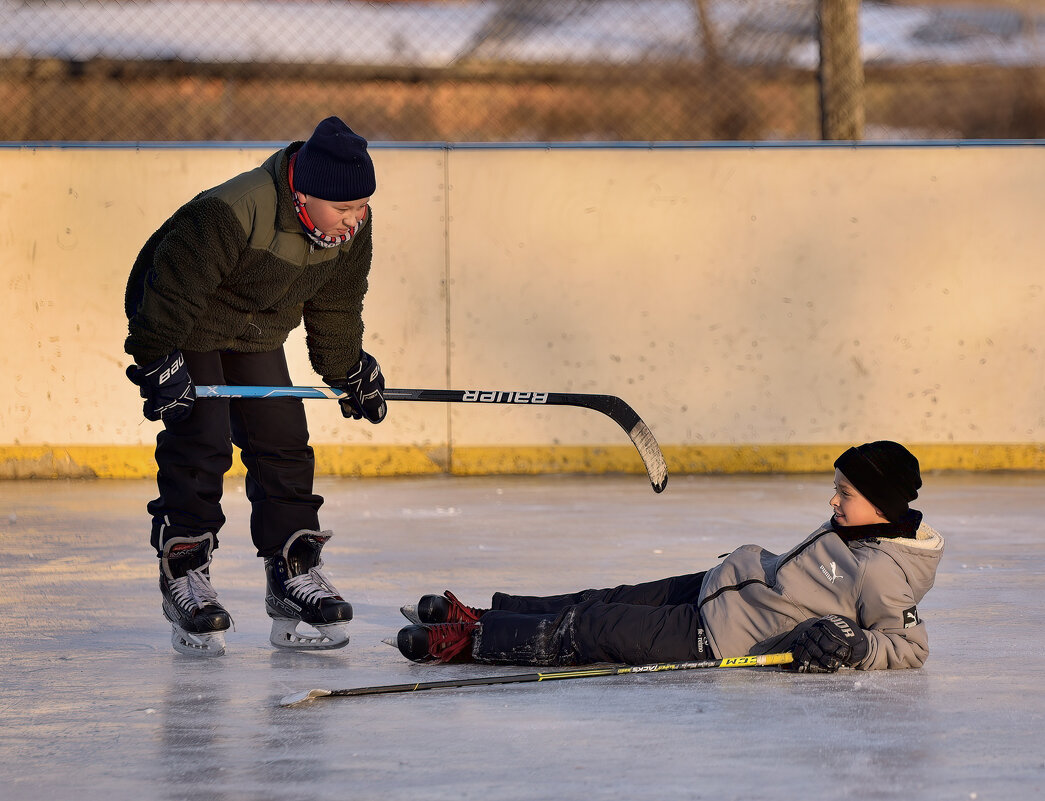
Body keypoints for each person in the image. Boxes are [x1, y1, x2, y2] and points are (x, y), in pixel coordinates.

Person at [124, 116, 387, 657]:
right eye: (344, 210)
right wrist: (158, 360)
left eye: (362, 207)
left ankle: (293, 572)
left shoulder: (348, 227)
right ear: (304, 194)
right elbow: (168, 291)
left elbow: (336, 308)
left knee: (283, 438)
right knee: (203, 439)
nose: (354, 221)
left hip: (257, 327)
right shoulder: (230, 212)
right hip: (184, 318)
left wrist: (348, 370)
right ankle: (185, 571)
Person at [392, 441, 944, 672]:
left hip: (720, 637)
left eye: (844, 493)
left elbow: (911, 648)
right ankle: (485, 616)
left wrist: (857, 645)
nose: (833, 500)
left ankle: (469, 643)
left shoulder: (880, 569)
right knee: (601, 599)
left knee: (594, 628)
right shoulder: (858, 531)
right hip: (719, 586)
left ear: (882, 505)